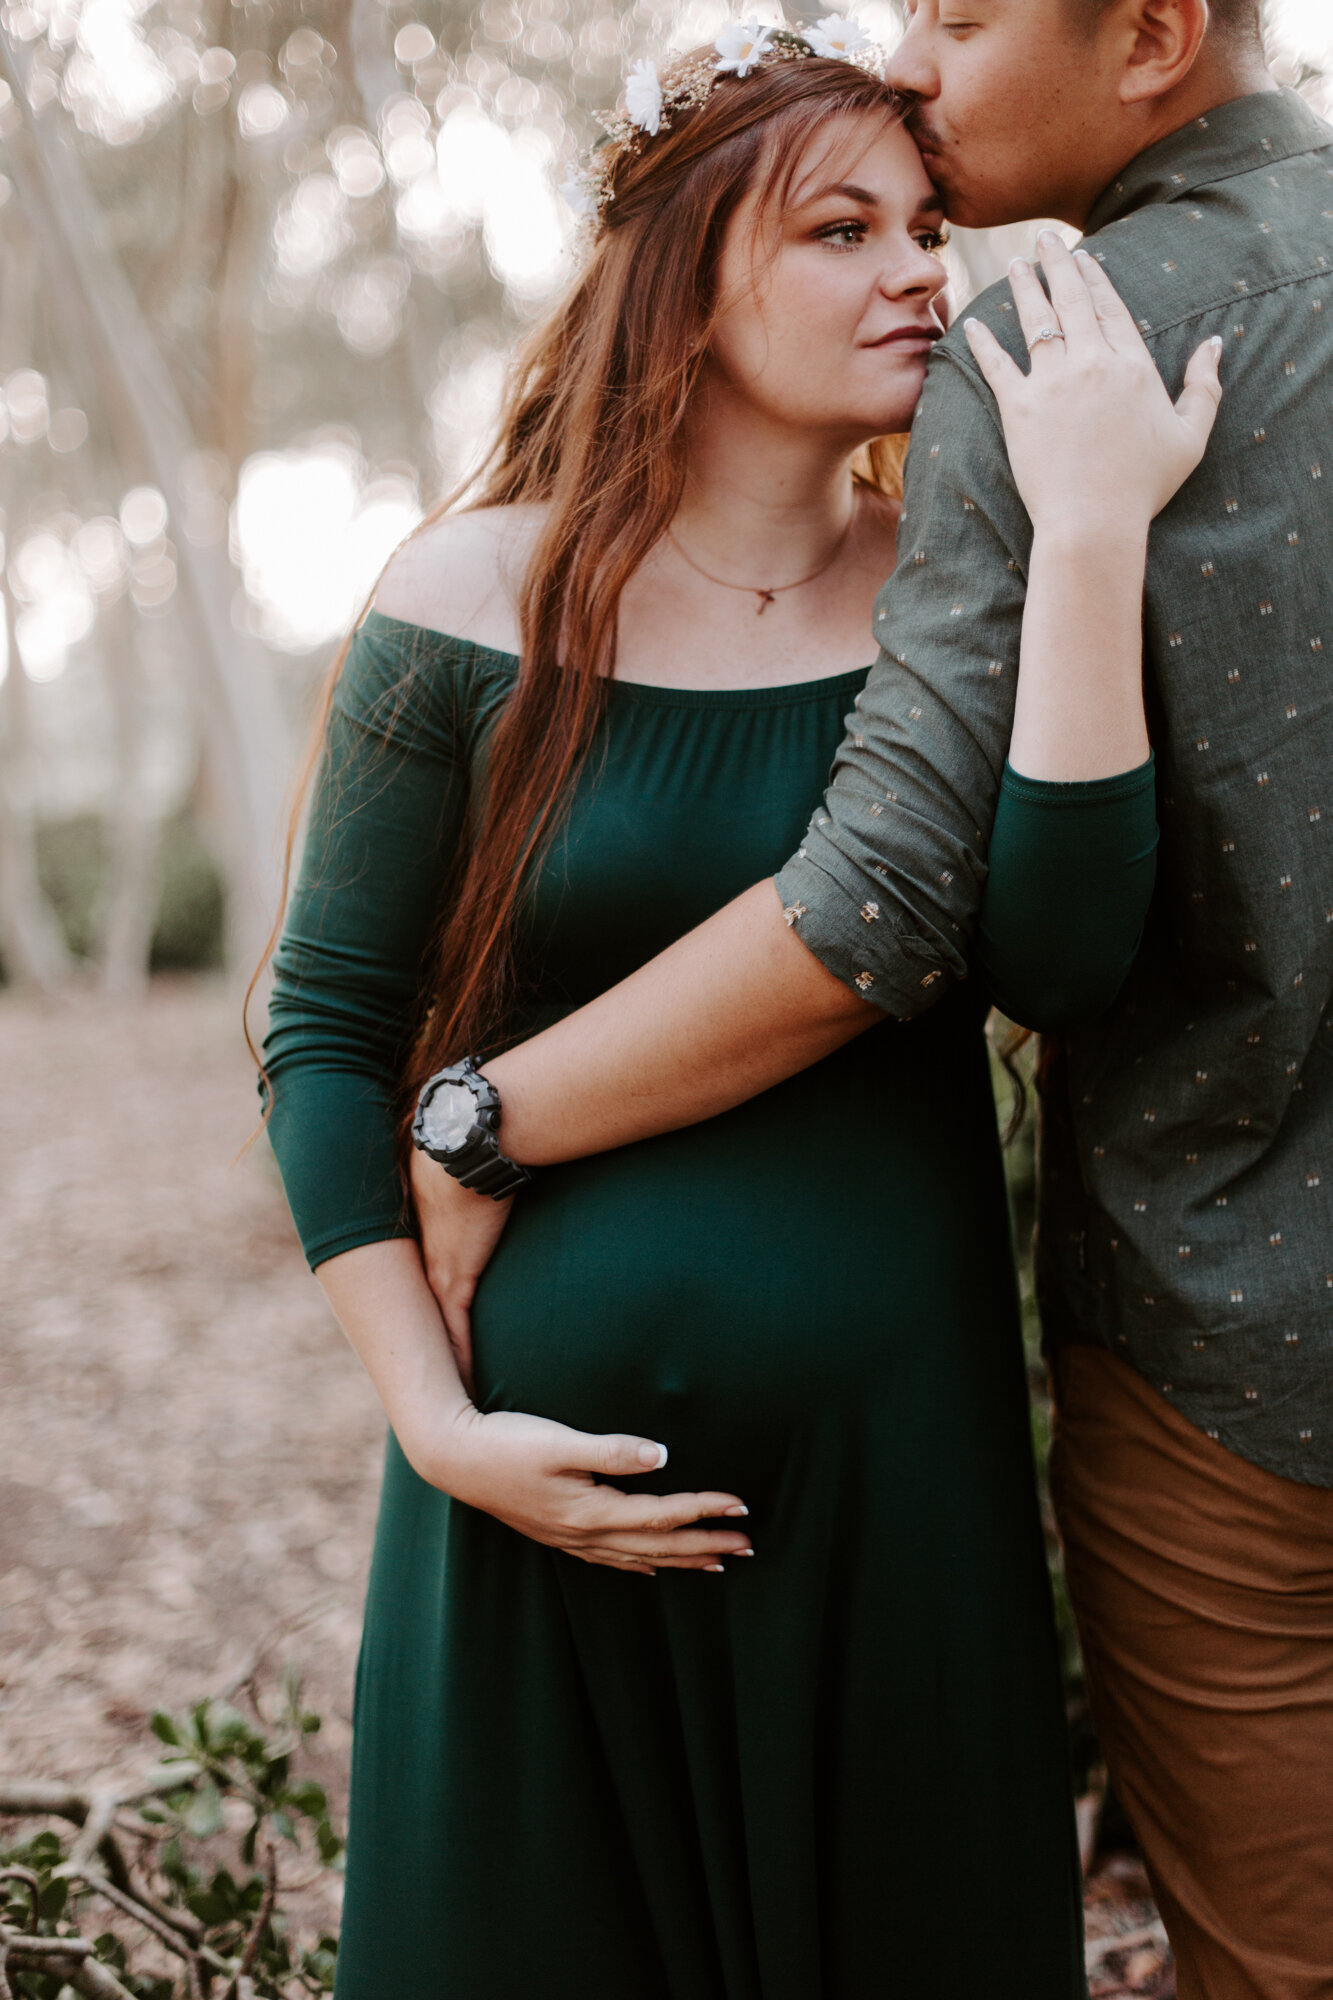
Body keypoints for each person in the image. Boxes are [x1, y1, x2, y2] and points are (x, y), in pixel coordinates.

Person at [261, 27, 1220, 2000]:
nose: (915, 272)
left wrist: (1094, 540)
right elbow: (327, 1027)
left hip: (902, 1488)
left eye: (925, 223)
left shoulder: (958, 591)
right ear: (686, 281)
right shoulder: (465, 602)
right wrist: (440, 1433)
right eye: (840, 229)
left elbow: (1057, 952)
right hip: (539, 1498)